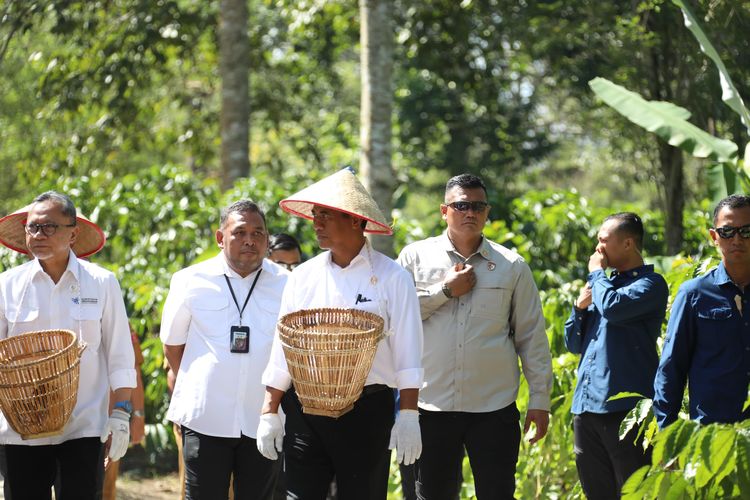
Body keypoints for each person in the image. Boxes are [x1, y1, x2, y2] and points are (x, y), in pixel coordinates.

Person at [256, 168, 424, 500]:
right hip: (306, 410)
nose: (316, 223)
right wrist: (269, 410)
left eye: (326, 215)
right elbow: (284, 347)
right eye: (315, 215)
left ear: (354, 220)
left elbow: (409, 351)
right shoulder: (302, 277)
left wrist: (408, 414)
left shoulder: (393, 278)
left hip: (367, 411)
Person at [397, 173, 552, 500]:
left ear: (487, 211)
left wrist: (539, 400)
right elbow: (397, 319)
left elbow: (531, 337)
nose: (470, 212)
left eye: (478, 206)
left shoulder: (512, 266)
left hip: (493, 409)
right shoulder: (414, 258)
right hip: (431, 406)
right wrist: (444, 292)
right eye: (461, 205)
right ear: (444, 211)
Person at [0, 191, 136, 500]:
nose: (38, 235)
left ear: (73, 233)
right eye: (32, 227)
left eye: (49, 227)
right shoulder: (7, 285)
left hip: (83, 426)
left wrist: (122, 414)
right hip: (20, 431)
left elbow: (119, 356)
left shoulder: (101, 282)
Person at [161, 200, 287, 500]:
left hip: (263, 419)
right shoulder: (190, 280)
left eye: (258, 233)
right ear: (220, 238)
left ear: (267, 240)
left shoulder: (287, 284)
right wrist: (199, 383)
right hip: (205, 417)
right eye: (240, 232)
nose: (250, 240)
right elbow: (172, 344)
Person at [564, 212, 668, 498]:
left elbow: (613, 309)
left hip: (623, 412)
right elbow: (573, 344)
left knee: (633, 491)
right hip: (585, 409)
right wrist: (579, 309)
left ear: (628, 244)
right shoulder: (601, 287)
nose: (598, 248)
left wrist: (597, 274)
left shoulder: (650, 285)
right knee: (596, 492)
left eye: (604, 240)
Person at [654, 194, 750, 428]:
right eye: (727, 232)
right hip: (712, 435)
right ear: (714, 237)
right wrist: (667, 436)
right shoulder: (693, 294)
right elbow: (671, 368)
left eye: (746, 231)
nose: (737, 239)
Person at [102, 325, 147, 500]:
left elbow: (133, 368)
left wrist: (138, 415)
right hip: (63, 419)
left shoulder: (118, 318)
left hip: (107, 422)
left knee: (105, 489)